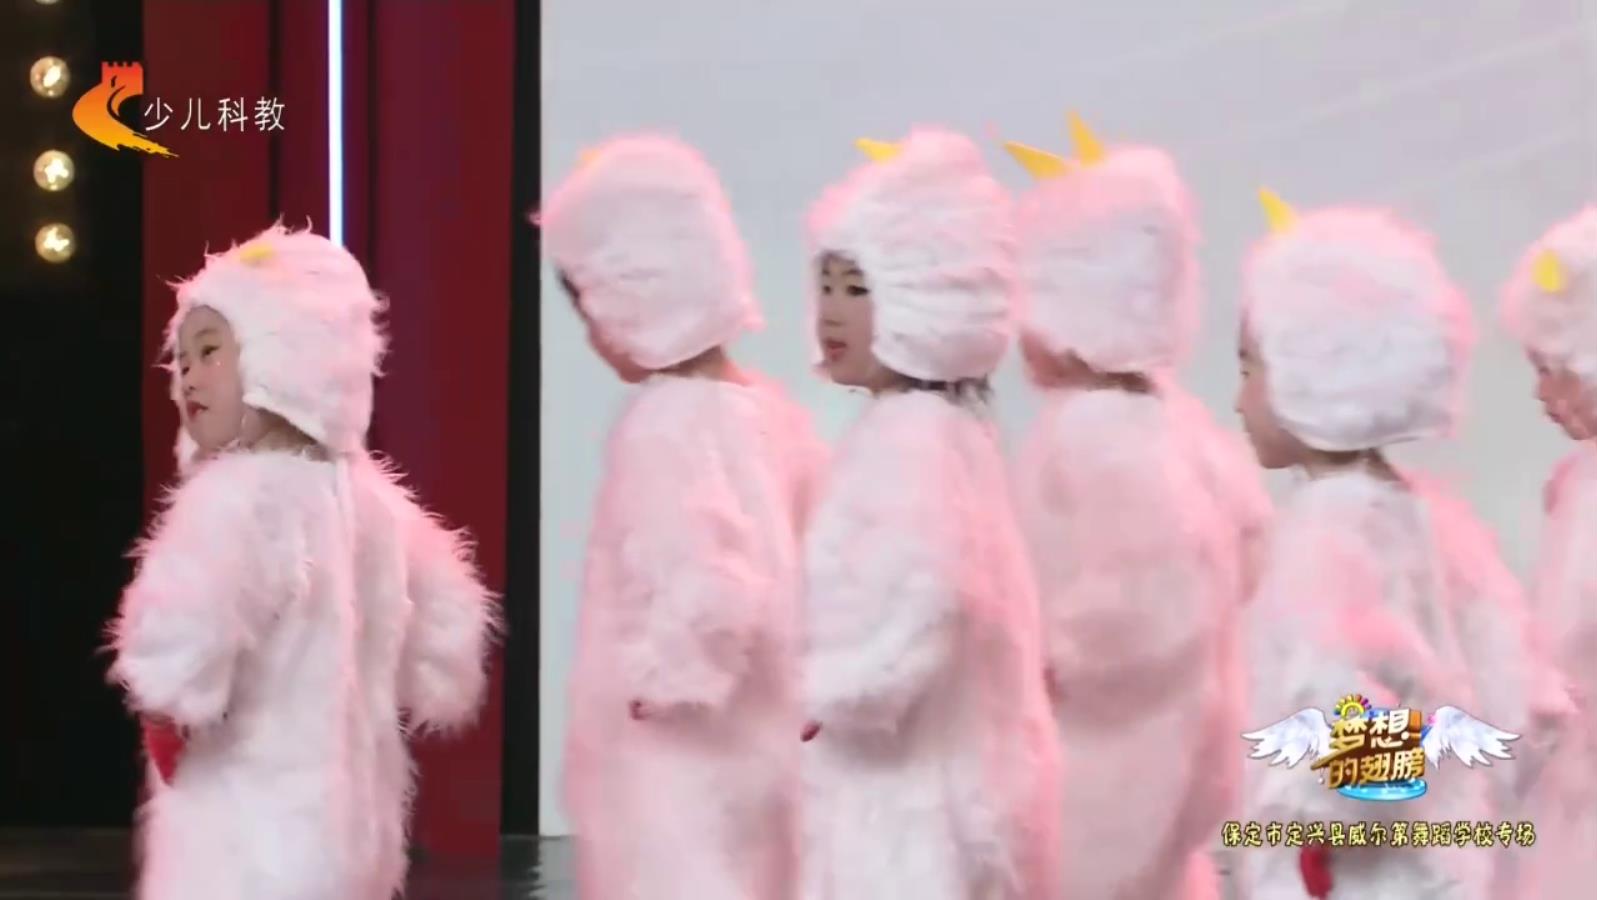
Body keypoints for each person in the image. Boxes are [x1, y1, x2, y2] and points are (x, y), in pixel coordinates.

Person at [109, 224, 499, 900]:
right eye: (182, 359)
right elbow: (447, 633)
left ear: (285, 356)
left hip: (246, 826)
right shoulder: (376, 505)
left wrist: (167, 706)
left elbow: (183, 627)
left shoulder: (234, 498)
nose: (187, 376)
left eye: (211, 351)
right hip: (354, 828)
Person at [1233, 194, 1568, 899]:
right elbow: (1522, 703)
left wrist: (1306, 827)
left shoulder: (1324, 536)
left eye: (1250, 368)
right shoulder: (1425, 520)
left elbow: (1358, 750)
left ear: (1311, 370)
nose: (1240, 401)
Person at [540, 134, 823, 900]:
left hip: (679, 747)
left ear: (638, 294)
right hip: (761, 732)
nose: (593, 335)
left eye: (591, 308)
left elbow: (703, 570)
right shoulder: (767, 412)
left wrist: (670, 677)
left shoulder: (667, 422)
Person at [1004, 116, 1270, 899]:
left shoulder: (1091, 431)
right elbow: (1250, 545)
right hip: (1186, 745)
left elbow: (1140, 603)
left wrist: (1036, 659)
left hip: (1099, 760)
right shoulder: (1175, 423)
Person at [798, 128, 1060, 900]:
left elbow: (923, 604)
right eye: (826, 285)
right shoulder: (943, 432)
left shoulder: (911, 440)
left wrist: (821, 688)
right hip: (940, 789)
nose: (831, 312)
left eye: (857, 288)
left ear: (927, 298)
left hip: (902, 806)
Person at [1500, 205, 1597, 900]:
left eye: (1550, 368)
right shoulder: (1577, 483)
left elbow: (1560, 654)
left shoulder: (1586, 493)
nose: (1538, 392)